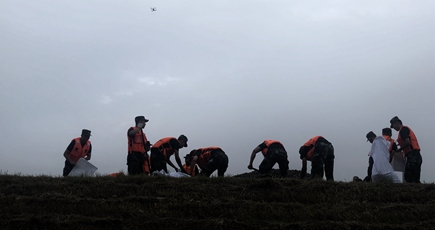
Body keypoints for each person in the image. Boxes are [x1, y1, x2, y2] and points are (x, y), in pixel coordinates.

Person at [390, 116, 422, 183]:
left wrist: (399, 150)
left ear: (397, 123)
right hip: (415, 155)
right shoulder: (404, 130)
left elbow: (407, 142)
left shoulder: (403, 130)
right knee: (415, 178)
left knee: (409, 178)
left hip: (413, 155)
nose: (394, 128)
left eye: (393, 126)